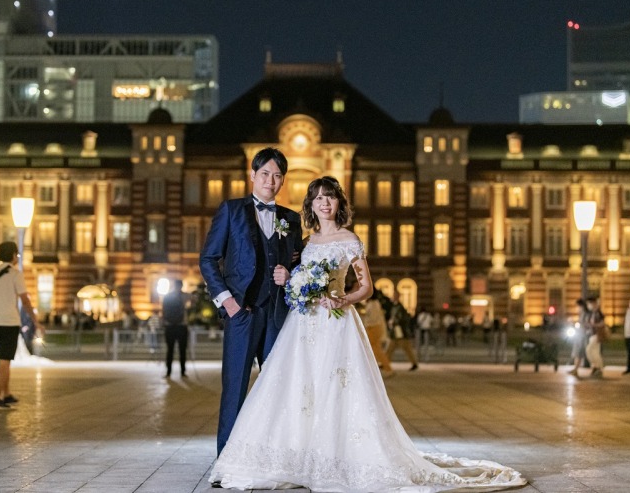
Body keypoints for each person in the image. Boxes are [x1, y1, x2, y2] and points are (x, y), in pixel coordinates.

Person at [209, 176, 525, 490]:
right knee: (300, 386)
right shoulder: (306, 242)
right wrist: (291, 283)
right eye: (318, 198)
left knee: (337, 385)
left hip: (336, 322)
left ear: (338, 203)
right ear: (311, 205)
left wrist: (343, 298)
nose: (324, 203)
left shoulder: (350, 240)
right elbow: (293, 275)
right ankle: (300, 452)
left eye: (330, 197)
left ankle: (337, 453)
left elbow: (366, 287)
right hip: (302, 323)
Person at [199, 147, 304, 459]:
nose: (270, 181)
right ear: (253, 176)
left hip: (277, 315)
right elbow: (208, 259)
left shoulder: (291, 219)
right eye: (265, 174)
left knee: (276, 388)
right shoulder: (231, 211)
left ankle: (271, 457)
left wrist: (292, 273)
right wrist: (227, 301)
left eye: (277, 175)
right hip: (241, 313)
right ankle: (226, 461)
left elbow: (299, 263)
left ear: (283, 180)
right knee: (235, 389)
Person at [0, 241, 37, 411]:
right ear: (13, 255)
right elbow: (25, 300)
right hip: (9, 322)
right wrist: (36, 321)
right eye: (17, 254)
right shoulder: (15, 274)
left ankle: (7, 394)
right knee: (4, 362)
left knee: (5, 359)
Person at [360, 290, 393, 376]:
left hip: (374, 328)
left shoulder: (374, 303)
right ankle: (385, 368)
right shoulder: (372, 303)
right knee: (375, 348)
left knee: (374, 349)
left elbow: (372, 318)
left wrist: (364, 314)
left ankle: (386, 368)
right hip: (373, 327)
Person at [162, 279, 189, 378]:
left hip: (170, 326)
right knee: (182, 350)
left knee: (170, 350)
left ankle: (169, 372)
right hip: (181, 326)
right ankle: (182, 371)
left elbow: (163, 311)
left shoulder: (167, 296)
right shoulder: (184, 296)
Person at [386, 292, 419, 370]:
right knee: (390, 348)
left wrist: (393, 322)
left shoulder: (399, 307)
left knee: (406, 347)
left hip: (400, 331)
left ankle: (414, 363)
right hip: (396, 332)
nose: (392, 297)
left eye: (394, 296)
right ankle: (385, 363)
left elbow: (400, 318)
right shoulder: (396, 306)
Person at [584, 296, 607, 378]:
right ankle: (596, 367)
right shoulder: (591, 313)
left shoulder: (598, 313)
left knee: (589, 350)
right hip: (591, 335)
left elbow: (603, 323)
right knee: (595, 352)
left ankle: (599, 367)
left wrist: (593, 325)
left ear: (593, 303)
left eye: (589, 304)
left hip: (596, 334)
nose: (588, 306)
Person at [568, 298, 590, 377]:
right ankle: (575, 369)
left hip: (581, 336)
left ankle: (576, 369)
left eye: (577, 306)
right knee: (577, 353)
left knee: (578, 353)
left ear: (580, 306)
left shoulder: (584, 313)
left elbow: (583, 324)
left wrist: (574, 323)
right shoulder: (582, 313)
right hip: (580, 335)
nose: (576, 308)